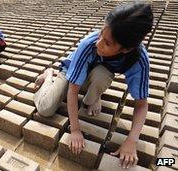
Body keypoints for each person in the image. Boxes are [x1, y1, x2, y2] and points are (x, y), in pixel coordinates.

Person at [34, 2, 153, 169]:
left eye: (107, 43)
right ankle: (49, 75)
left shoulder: (139, 61)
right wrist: (75, 130)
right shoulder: (89, 44)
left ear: (126, 49)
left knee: (102, 74)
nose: (99, 43)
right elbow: (73, 91)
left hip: (96, 75)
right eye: (100, 35)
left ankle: (94, 96)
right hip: (70, 72)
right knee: (45, 109)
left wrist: (131, 140)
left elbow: (141, 104)